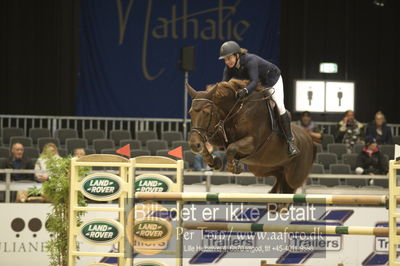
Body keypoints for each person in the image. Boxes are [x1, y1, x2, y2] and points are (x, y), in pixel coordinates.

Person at [219, 41, 299, 157]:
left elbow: (254, 81)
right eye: (225, 59)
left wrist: (245, 91)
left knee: (279, 106)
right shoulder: (228, 68)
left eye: (229, 58)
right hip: (258, 82)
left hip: (272, 80)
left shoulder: (250, 60)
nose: (227, 62)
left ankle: (290, 142)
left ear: (237, 55)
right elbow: (224, 85)